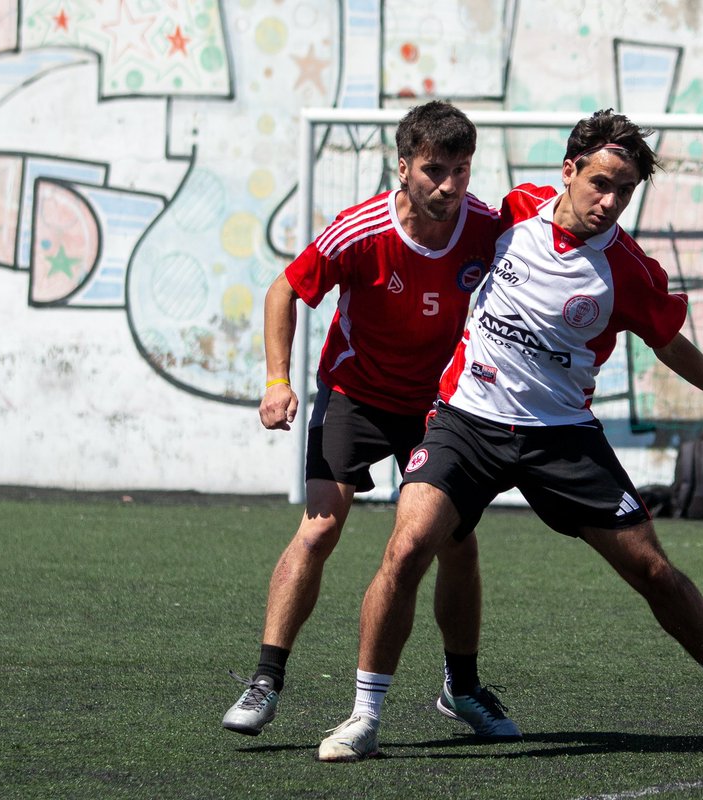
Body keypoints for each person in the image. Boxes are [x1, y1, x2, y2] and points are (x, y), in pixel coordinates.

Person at [316, 109, 703, 762]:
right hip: (466, 421)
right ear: (568, 172)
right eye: (600, 183)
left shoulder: (626, 269)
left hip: (562, 437)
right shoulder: (512, 214)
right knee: (405, 553)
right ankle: (364, 716)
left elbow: (669, 342)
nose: (610, 201)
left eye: (624, 191)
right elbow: (434, 234)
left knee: (653, 570)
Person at [223, 100, 520, 741]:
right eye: (435, 170)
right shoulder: (361, 230)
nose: (449, 186)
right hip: (353, 395)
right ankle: (266, 679)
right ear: (404, 165)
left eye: (462, 171)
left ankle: (462, 688)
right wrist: (277, 381)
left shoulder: (486, 229)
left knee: (457, 542)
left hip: (439, 408)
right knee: (320, 530)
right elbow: (284, 290)